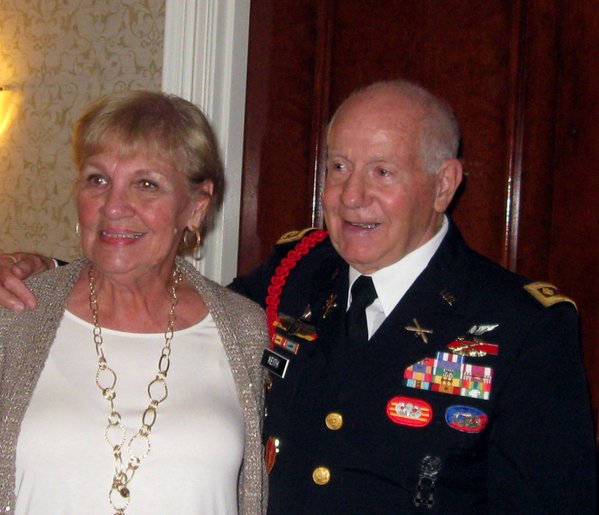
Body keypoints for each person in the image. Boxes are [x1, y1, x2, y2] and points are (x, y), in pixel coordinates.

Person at [0, 80, 596, 514]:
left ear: (444, 185)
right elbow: (159, 291)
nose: (350, 196)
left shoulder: (520, 326)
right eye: (338, 167)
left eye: (381, 173)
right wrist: (47, 272)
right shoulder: (297, 271)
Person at [0, 91, 269, 515]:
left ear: (196, 207)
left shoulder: (246, 330)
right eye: (98, 179)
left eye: (146, 184)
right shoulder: (16, 314)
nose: (113, 206)